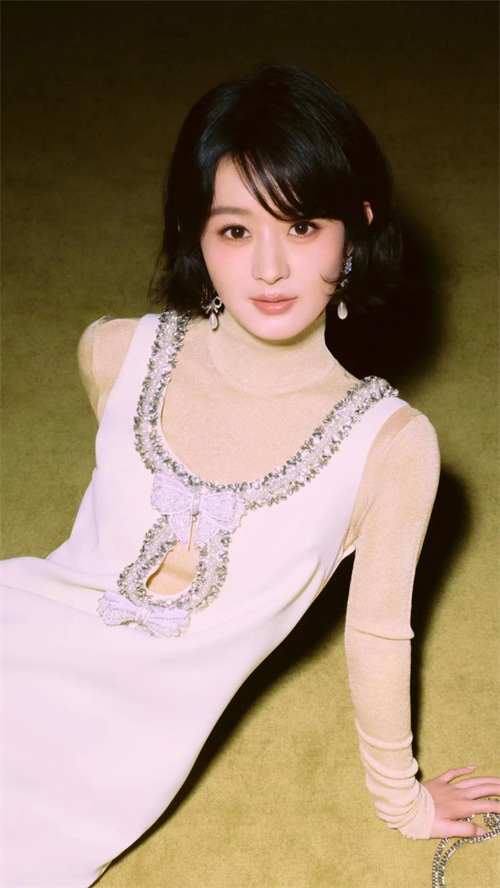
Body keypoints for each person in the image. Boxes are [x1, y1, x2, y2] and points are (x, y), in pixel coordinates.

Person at [1, 64, 499, 888]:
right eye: (235, 231)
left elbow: (378, 635)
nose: (269, 268)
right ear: (194, 235)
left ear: (356, 228)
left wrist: (404, 803)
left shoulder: (391, 447)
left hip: (104, 754)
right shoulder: (115, 352)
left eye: (301, 226)